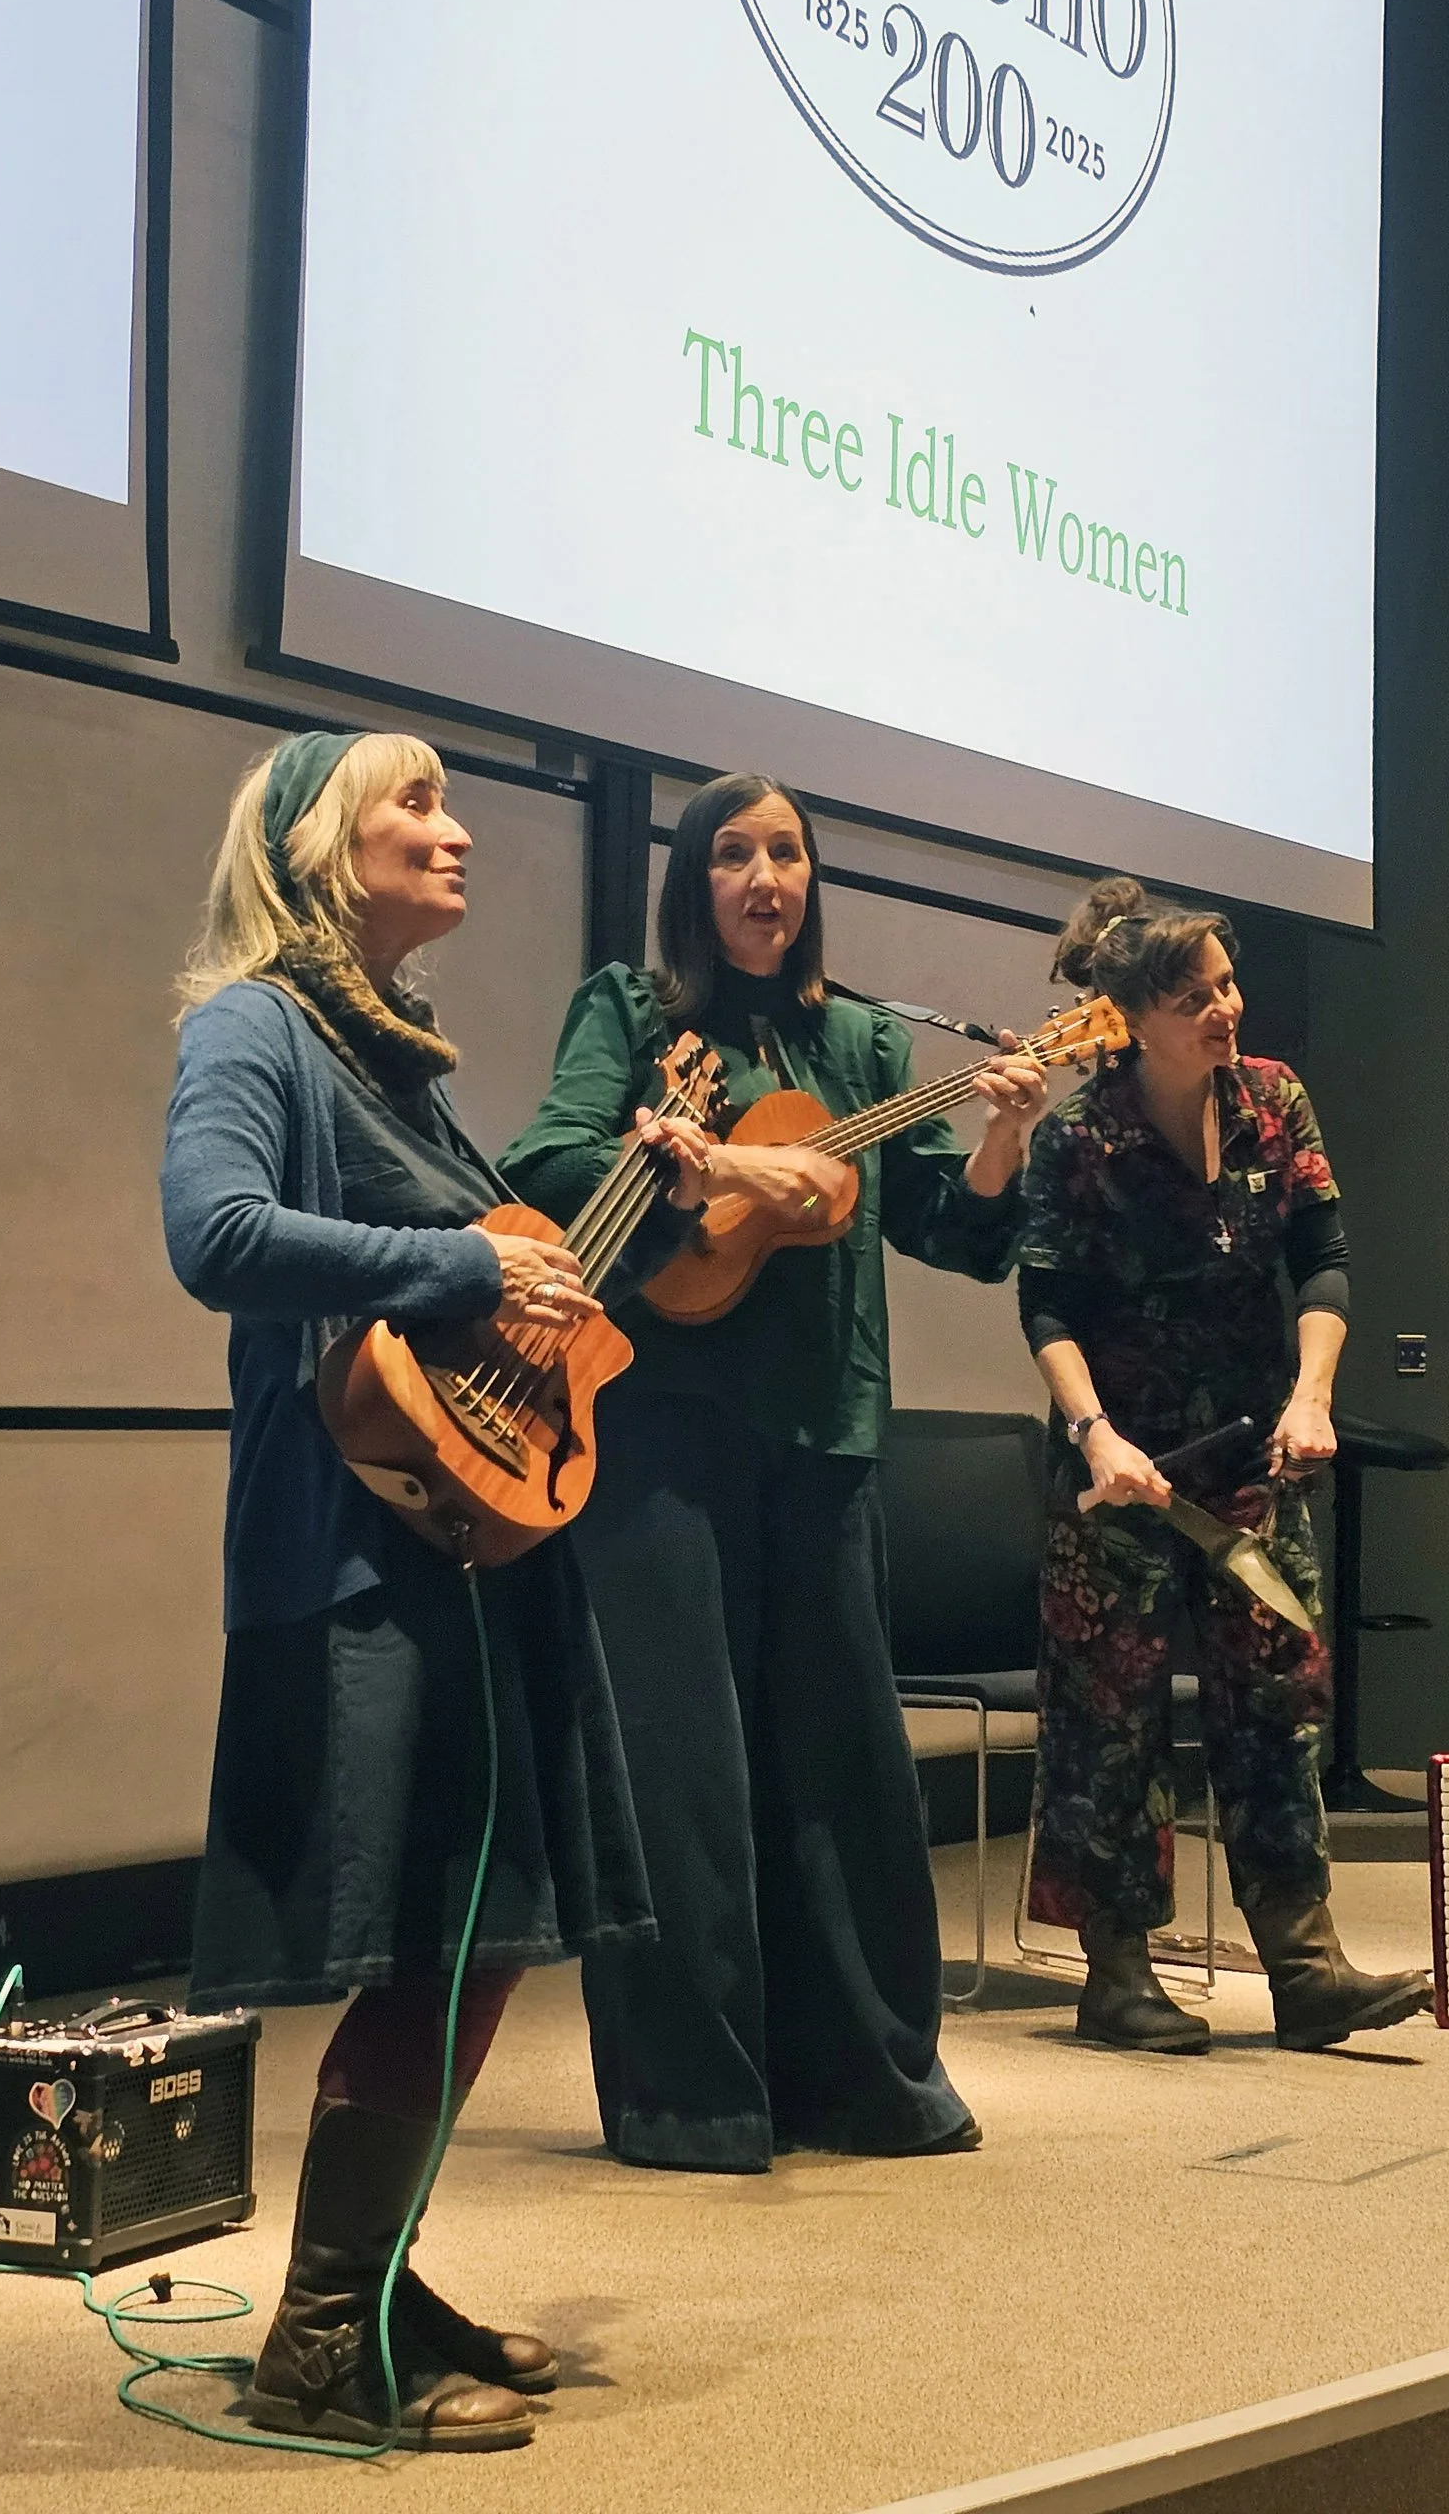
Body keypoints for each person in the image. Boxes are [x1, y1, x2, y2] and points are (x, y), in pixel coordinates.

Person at [161, 728, 709, 2452]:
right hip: (355, 1555)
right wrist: (461, 1257)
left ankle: (375, 2282)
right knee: (431, 1940)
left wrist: (636, 1214)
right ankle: (320, 2341)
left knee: (475, 1939)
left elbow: (511, 1296)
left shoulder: (399, 1067)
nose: (454, 831)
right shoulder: (255, 1025)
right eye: (414, 803)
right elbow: (213, 1235)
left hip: (465, 1553)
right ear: (317, 849)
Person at [498, 771, 1048, 2173]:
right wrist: (715, 1176)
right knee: (679, 1763)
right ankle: (696, 2098)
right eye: (733, 853)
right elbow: (544, 1159)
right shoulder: (634, 1013)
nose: (764, 878)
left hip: (823, 1428)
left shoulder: (861, 1040)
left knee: (837, 1760)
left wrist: (1003, 1136)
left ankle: (865, 2083)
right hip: (658, 1430)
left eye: (786, 854)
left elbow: (949, 1226)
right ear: (693, 880)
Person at [1016, 874, 1432, 2056]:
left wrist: (1312, 1396)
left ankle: (1305, 1968)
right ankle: (1116, 1977)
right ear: (1135, 1018)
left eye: (1228, 985)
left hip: (1253, 1455)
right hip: (1121, 1471)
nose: (1226, 1009)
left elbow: (1322, 1258)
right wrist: (1095, 1434)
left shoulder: (1273, 1101)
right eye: (1195, 996)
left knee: (1277, 1699)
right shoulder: (1079, 1137)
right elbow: (1046, 1306)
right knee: (1112, 1720)